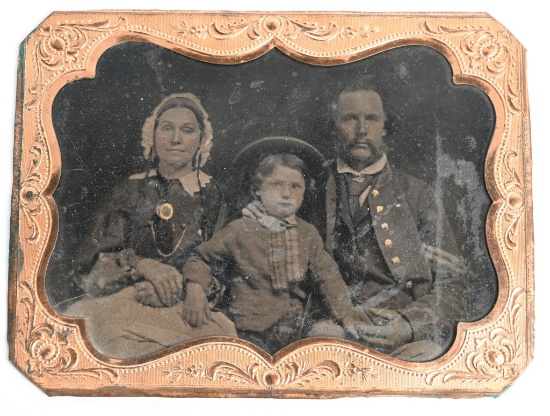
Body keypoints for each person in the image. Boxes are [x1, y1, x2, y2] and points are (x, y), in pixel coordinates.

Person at [63, 93, 237, 359]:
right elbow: (91, 265)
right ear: (153, 135)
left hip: (190, 308)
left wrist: (192, 288)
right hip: (128, 300)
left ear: (202, 140)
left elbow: (226, 267)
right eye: (166, 128)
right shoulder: (130, 190)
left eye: (187, 130)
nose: (175, 138)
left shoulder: (215, 196)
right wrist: (144, 267)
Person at [181, 138, 370, 354]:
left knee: (329, 335)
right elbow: (200, 258)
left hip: (296, 326)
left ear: (304, 192)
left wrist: (346, 314)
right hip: (250, 328)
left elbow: (328, 275)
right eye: (277, 184)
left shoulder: (307, 233)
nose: (286, 193)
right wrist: (195, 290)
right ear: (258, 190)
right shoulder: (239, 229)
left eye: (295, 186)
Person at [320, 88, 466, 361]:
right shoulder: (311, 187)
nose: (362, 130)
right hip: (333, 330)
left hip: (403, 333)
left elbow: (454, 283)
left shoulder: (418, 194)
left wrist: (410, 325)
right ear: (334, 126)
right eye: (350, 118)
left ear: (385, 127)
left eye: (372, 119)